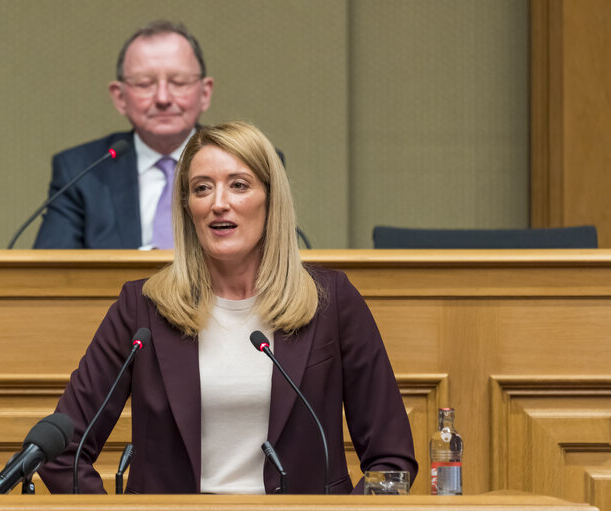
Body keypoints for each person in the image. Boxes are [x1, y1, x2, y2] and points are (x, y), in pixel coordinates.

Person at [38, 121, 417, 494]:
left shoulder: (331, 301)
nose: (219, 203)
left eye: (239, 185)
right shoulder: (142, 307)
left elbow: (391, 460)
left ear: (271, 199)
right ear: (188, 208)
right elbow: (63, 452)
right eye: (202, 188)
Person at [33, 20, 214, 249]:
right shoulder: (81, 170)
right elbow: (51, 272)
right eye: (144, 83)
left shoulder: (250, 163)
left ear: (205, 93)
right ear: (119, 97)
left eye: (178, 82)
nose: (163, 98)